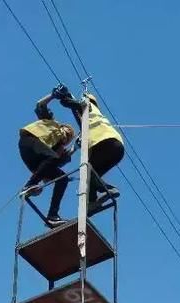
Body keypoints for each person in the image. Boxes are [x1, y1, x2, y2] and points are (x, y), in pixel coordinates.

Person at [19, 87, 77, 228]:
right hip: (30, 140)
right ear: (63, 127)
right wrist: (53, 95)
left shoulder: (58, 149)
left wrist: (76, 147)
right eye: (67, 132)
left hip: (35, 160)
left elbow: (53, 166)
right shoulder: (51, 122)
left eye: (69, 138)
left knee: (62, 179)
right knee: (55, 157)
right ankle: (29, 184)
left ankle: (52, 215)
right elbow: (40, 105)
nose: (67, 137)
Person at [59, 91, 125, 209]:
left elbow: (80, 106)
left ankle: (108, 189)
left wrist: (67, 100)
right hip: (117, 148)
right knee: (90, 176)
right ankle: (91, 203)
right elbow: (81, 120)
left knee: (87, 171)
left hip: (105, 143)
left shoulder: (90, 107)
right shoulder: (92, 117)